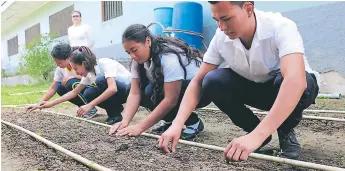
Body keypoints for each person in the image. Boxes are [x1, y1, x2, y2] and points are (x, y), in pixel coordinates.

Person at [158, 1, 319, 161]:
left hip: (294, 90)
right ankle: (256, 131)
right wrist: (177, 123)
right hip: (256, 89)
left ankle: (285, 132)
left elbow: (295, 81)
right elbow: (197, 82)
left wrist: (256, 137)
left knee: (290, 81)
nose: (221, 27)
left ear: (248, 8)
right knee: (212, 80)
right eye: (216, 20)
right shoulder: (220, 38)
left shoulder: (280, 26)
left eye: (226, 18)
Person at [108, 24, 210, 140]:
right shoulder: (137, 61)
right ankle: (170, 120)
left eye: (134, 50)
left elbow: (171, 99)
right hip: (177, 93)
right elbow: (134, 93)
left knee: (153, 91)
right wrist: (124, 122)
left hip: (200, 91)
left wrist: (140, 127)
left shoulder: (168, 57)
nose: (132, 56)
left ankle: (193, 122)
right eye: (128, 52)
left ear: (147, 41)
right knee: (136, 88)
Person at [39, 46, 131, 125]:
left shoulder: (105, 63)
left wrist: (90, 105)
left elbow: (112, 89)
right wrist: (50, 104)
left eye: (76, 69)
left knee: (100, 81)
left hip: (129, 91)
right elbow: (74, 92)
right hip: (118, 94)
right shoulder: (89, 73)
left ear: (83, 63)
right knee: (89, 93)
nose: (76, 73)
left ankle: (114, 112)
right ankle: (115, 115)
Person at [25, 43, 97, 119]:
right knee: (59, 87)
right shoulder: (60, 69)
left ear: (68, 58)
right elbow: (53, 88)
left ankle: (91, 109)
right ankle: (83, 108)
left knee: (70, 83)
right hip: (79, 89)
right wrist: (38, 104)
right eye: (56, 63)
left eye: (59, 62)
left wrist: (72, 76)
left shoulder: (79, 61)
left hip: (92, 88)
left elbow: (91, 76)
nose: (57, 65)